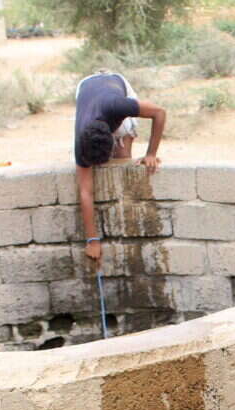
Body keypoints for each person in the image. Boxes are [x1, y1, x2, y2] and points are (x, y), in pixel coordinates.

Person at [73, 72, 167, 266]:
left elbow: (159, 112)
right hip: (85, 88)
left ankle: (123, 140)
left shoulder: (119, 106)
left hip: (114, 82)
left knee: (123, 157)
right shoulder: (80, 142)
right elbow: (85, 191)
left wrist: (151, 153)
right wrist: (92, 240)